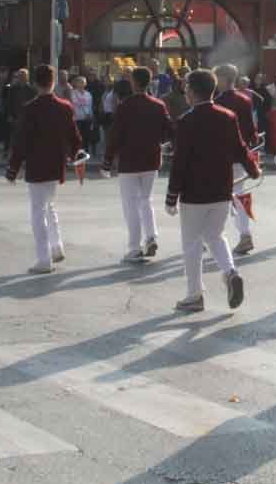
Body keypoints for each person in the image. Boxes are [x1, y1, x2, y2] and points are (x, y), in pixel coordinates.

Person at [165, 68, 257, 313]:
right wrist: (253, 168)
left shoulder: (186, 121)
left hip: (194, 192)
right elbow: (240, 148)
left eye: (186, 88)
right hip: (221, 189)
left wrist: (172, 195)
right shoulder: (228, 116)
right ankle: (230, 272)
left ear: (193, 93)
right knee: (216, 236)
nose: (185, 92)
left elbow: (180, 162)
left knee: (192, 243)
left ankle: (195, 295)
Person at [5, 65, 83, 274]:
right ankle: (56, 247)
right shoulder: (65, 106)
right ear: (53, 81)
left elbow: (21, 141)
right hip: (56, 163)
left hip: (36, 163)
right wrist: (75, 153)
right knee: (49, 205)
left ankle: (43, 258)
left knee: (38, 211)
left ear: (35, 83)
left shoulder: (29, 108)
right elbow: (74, 137)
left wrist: (13, 168)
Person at [107, 66, 173, 264]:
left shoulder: (124, 106)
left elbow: (115, 136)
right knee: (146, 200)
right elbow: (169, 129)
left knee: (130, 205)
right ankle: (151, 236)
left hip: (129, 160)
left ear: (134, 82)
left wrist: (107, 160)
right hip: (151, 158)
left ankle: (135, 248)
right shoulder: (158, 104)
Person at [214, 63, 259, 256]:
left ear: (223, 79)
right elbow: (250, 129)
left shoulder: (216, 101)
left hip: (221, 155)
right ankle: (245, 234)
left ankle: (214, 236)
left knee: (218, 196)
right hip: (240, 154)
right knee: (241, 195)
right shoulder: (244, 99)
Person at [70, 75, 97, 157]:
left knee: (86, 136)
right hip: (77, 118)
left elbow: (90, 105)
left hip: (86, 118)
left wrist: (91, 115)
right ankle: (76, 152)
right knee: (77, 136)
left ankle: (85, 152)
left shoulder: (88, 94)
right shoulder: (73, 93)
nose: (81, 84)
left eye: (83, 82)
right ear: (76, 83)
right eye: (80, 82)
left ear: (85, 84)